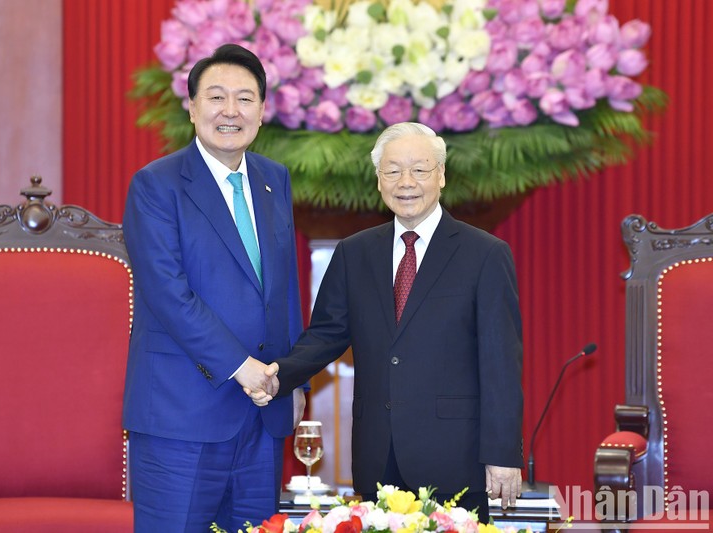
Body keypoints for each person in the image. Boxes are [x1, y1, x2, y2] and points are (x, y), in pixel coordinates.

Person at [252, 122, 523, 522]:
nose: (406, 182)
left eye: (420, 169)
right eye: (393, 171)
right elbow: (327, 333)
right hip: (378, 453)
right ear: (379, 181)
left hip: (455, 457)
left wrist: (502, 454)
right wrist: (280, 375)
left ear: (442, 176)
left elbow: (501, 362)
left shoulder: (484, 254)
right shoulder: (354, 253)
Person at [122, 43, 306, 532]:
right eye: (216, 97)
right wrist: (242, 367)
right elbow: (168, 295)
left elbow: (283, 290)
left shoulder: (274, 180)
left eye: (245, 99)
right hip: (181, 418)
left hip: (262, 416)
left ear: (263, 112)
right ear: (191, 106)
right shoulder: (155, 185)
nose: (231, 111)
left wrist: (295, 377)